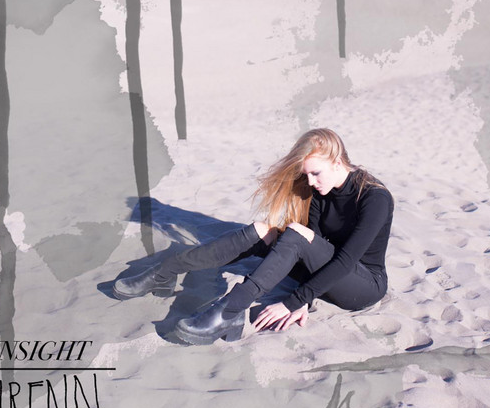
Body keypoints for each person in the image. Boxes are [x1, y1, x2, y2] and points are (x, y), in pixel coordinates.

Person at [113, 128, 393, 345]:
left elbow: (345, 260)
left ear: (337, 161)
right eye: (306, 175)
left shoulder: (374, 197)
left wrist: (295, 302)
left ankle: (230, 309)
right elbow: (314, 244)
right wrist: (307, 300)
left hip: (362, 286)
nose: (310, 182)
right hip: (327, 274)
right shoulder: (320, 190)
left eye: (315, 173)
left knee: (295, 234)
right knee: (262, 231)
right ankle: (166, 271)